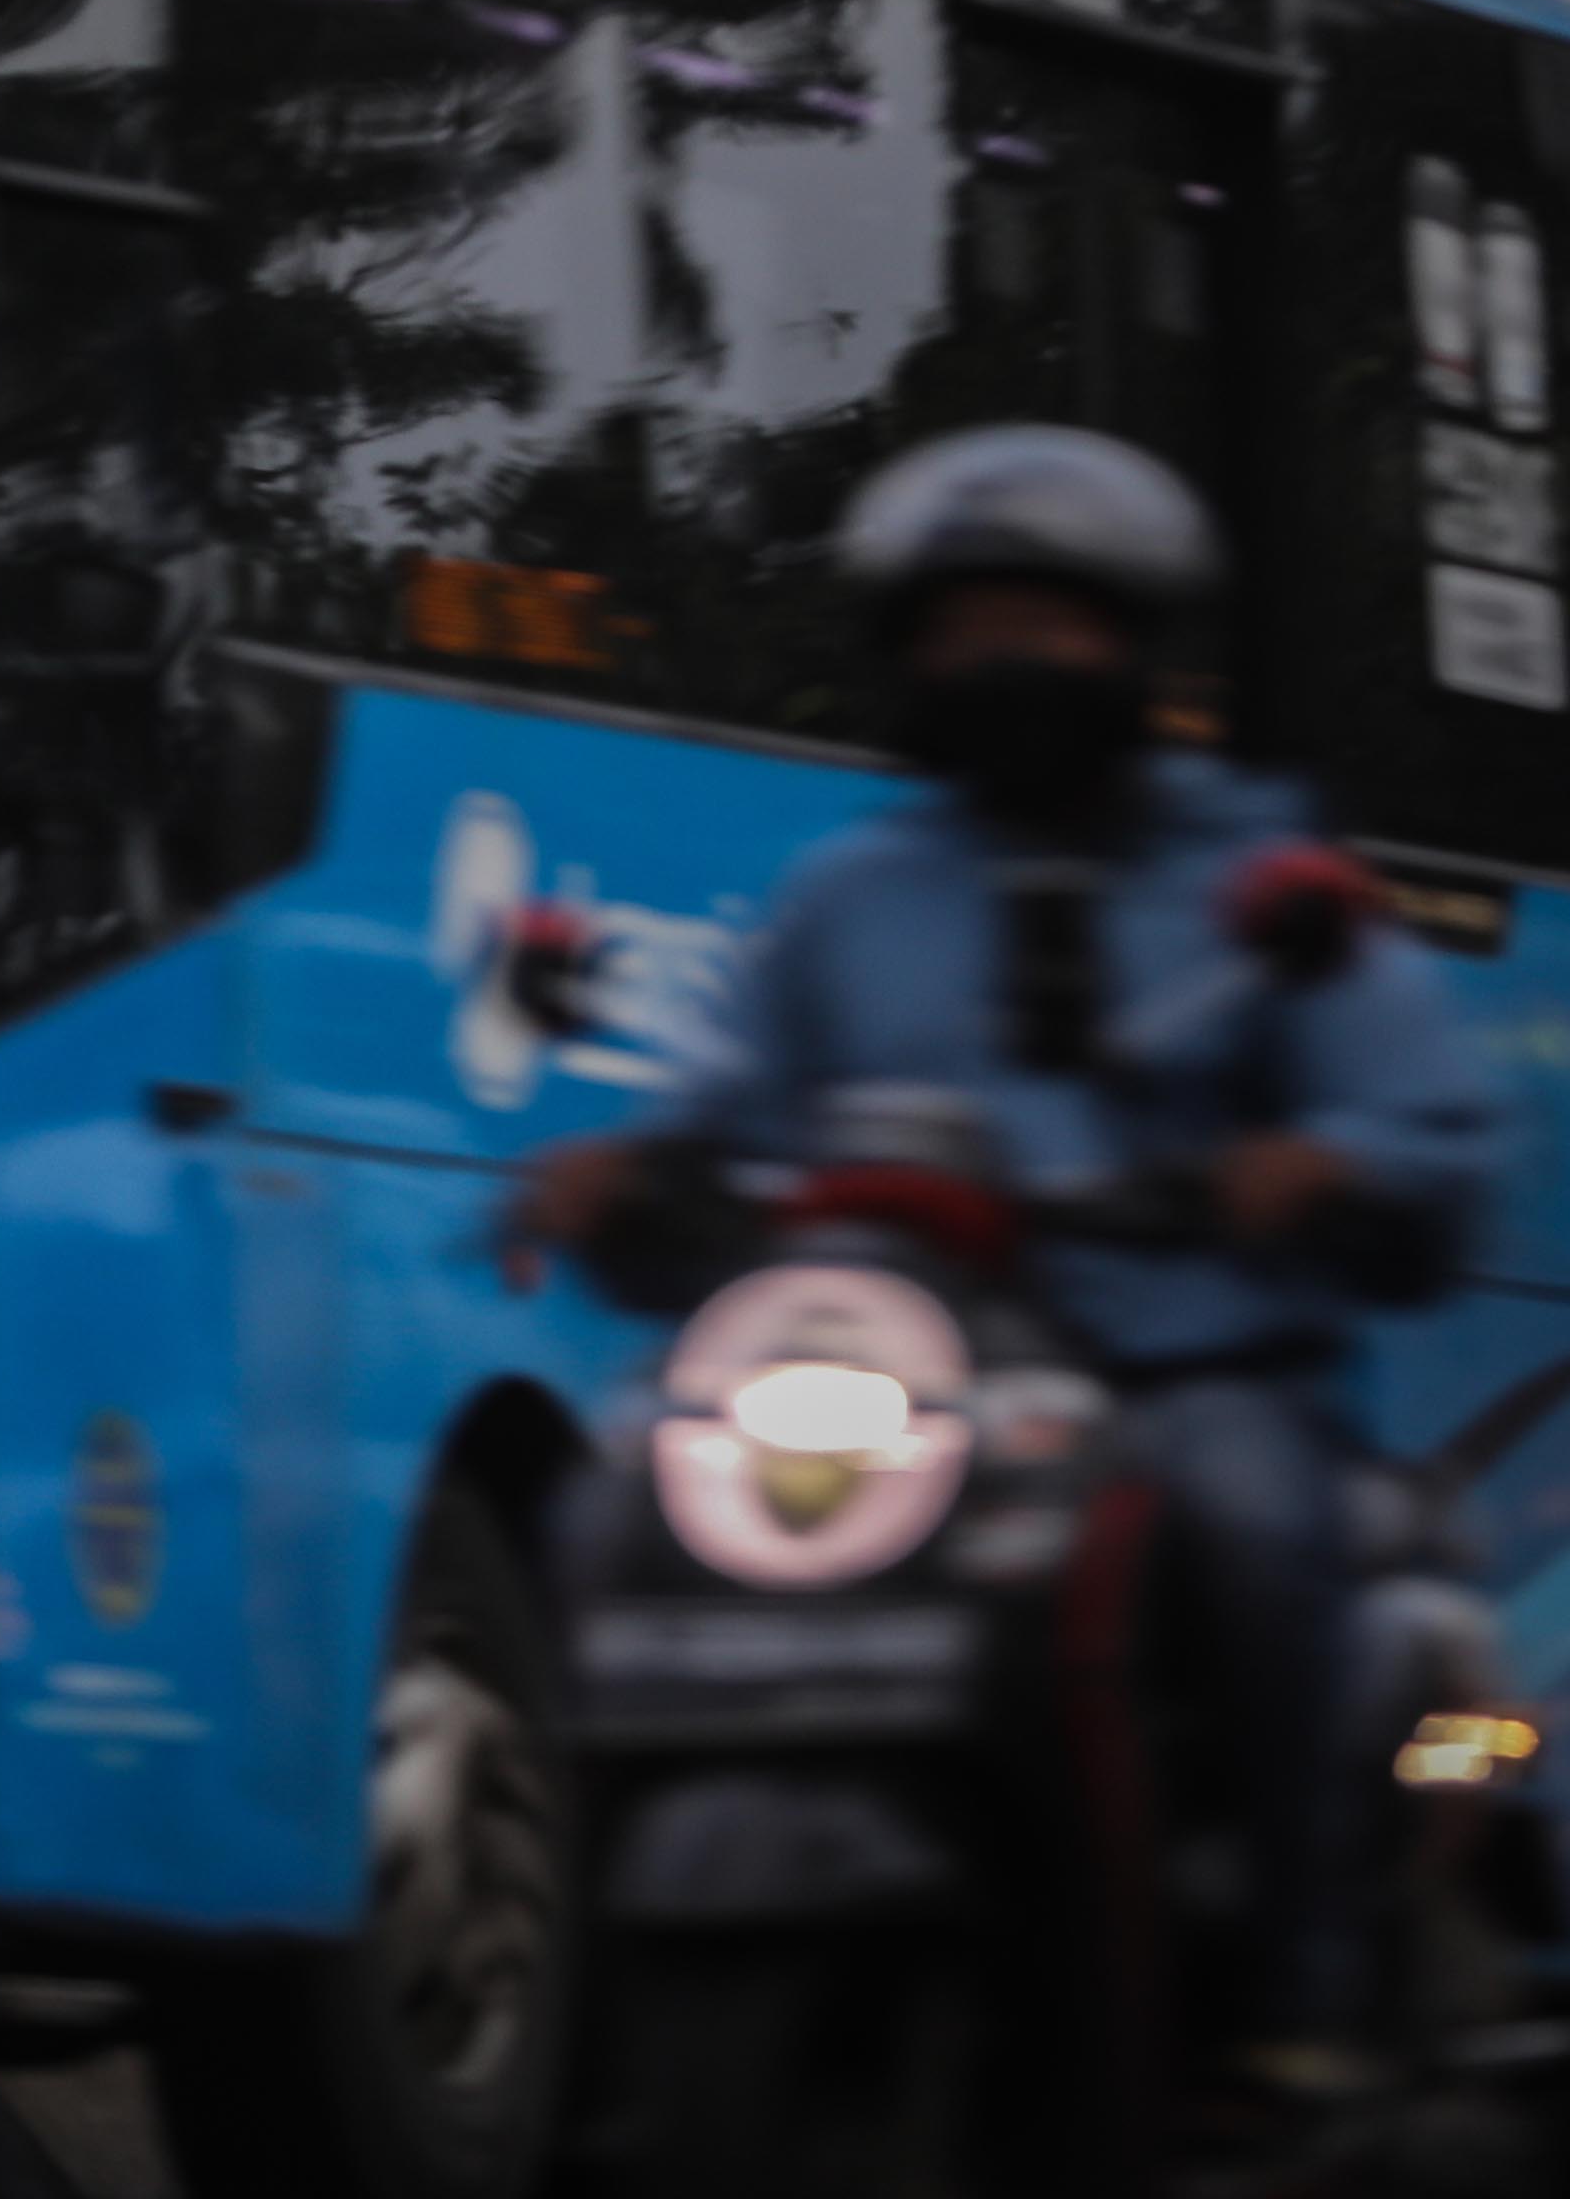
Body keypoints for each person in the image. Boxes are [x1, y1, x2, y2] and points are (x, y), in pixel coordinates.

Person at [507, 423, 1507, 2091]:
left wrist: (1316, 1159)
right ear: (907, 650)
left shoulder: (1267, 886)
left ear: (1130, 643)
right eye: (965, 627)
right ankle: (582, 1995)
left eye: (1046, 624)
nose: (1005, 660)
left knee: (1256, 1535)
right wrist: (623, 1175)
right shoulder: (845, 896)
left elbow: (1431, 1132)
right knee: (614, 1508)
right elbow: (731, 1110)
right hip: (917, 1386)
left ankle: (1298, 2000)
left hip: (1184, 1376)